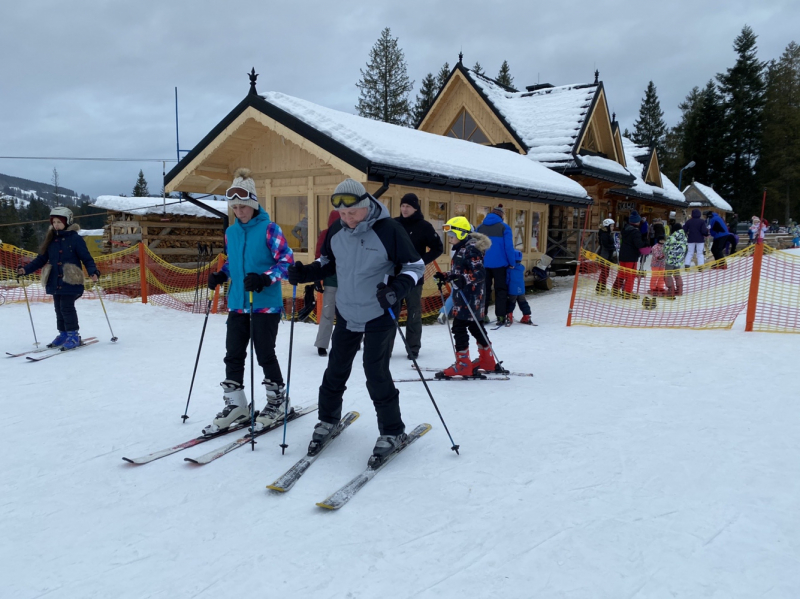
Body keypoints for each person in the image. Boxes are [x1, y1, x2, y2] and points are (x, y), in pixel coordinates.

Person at [287, 179, 424, 465]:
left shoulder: (389, 230)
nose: (347, 219)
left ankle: (392, 431)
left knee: (375, 372)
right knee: (335, 369)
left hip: (379, 311)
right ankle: (328, 420)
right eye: (342, 214)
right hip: (348, 312)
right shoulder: (336, 230)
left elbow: (414, 266)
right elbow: (327, 263)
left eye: (352, 213)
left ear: (365, 206)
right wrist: (307, 273)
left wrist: (397, 289)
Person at [204, 168, 294, 435]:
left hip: (264, 303)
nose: (239, 211)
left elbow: (286, 262)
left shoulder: (270, 229)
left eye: (243, 206)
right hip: (238, 303)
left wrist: (266, 278)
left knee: (264, 353)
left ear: (253, 204)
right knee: (233, 353)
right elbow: (235, 262)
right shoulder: (231, 232)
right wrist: (222, 274)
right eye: (235, 207)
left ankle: (278, 402)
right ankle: (237, 406)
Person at [17, 207, 100, 350]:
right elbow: (41, 259)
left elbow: (87, 258)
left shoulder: (75, 239)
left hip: (71, 280)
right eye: (54, 222)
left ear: (67, 222)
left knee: (66, 307)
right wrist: (25, 270)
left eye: (59, 222)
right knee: (58, 308)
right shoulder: (51, 240)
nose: (56, 225)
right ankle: (63, 333)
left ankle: (73, 335)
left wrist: (93, 272)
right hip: (55, 281)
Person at [433, 216, 496, 376]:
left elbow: (480, 273)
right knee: (476, 326)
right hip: (469, 297)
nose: (449, 239)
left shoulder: (470, 250)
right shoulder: (463, 249)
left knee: (459, 327)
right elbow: (460, 272)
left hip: (469, 298)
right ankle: (487, 360)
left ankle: (463, 364)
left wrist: (462, 279)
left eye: (452, 236)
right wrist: (446, 276)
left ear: (461, 234)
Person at [394, 193, 443, 360]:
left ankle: (413, 347)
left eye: (408, 206)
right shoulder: (394, 223)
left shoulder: (424, 226)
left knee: (413, 312)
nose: (404, 209)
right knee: (390, 312)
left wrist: (421, 261)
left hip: (414, 277)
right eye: (402, 206)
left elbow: (438, 248)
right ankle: (384, 347)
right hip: (394, 276)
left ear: (415, 208)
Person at [476, 204, 515, 325]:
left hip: (483, 264)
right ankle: (501, 316)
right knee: (501, 290)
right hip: (500, 265)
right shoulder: (505, 227)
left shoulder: (480, 227)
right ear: (501, 215)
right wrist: (511, 262)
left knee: (484, 290)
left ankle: (483, 316)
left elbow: (475, 245)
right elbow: (508, 247)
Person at [313, 210, 340, 357]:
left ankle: (354, 341)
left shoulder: (350, 234)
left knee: (350, 313)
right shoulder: (325, 234)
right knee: (328, 313)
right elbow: (319, 256)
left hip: (348, 280)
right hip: (331, 279)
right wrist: (317, 277)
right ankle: (322, 344)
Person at [611, 210, 649, 299]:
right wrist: (645, 243)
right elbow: (638, 244)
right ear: (637, 222)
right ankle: (627, 292)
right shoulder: (635, 232)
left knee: (621, 273)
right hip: (631, 256)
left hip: (623, 255)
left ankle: (615, 290)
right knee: (630, 275)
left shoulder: (625, 229)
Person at [505, 249, 533, 324]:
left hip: (512, 289)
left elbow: (507, 279)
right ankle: (526, 316)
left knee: (511, 302)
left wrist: (506, 286)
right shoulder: (521, 268)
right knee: (523, 302)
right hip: (521, 289)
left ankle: (509, 315)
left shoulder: (509, 269)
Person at [664, 224, 687, 297]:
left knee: (668, 274)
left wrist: (666, 253)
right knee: (677, 274)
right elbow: (686, 249)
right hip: (679, 260)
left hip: (670, 260)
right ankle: (680, 290)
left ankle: (671, 290)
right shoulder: (685, 238)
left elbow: (665, 248)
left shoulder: (671, 237)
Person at [596, 218, 617, 294]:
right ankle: (601, 288)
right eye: (611, 226)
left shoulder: (606, 234)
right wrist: (613, 247)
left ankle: (600, 287)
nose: (613, 228)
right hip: (604, 256)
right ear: (607, 226)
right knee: (605, 273)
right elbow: (605, 245)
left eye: (613, 226)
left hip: (607, 255)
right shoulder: (604, 235)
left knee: (605, 273)